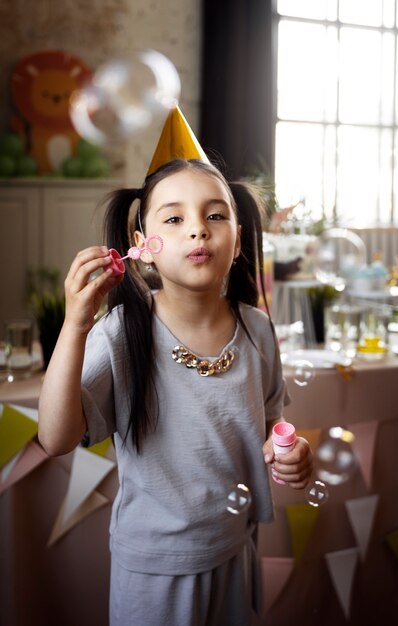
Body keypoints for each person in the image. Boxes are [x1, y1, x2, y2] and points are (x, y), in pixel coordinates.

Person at [38, 107, 313, 626]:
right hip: (156, 570)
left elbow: (274, 430)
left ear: (237, 240)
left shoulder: (257, 329)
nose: (198, 231)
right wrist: (75, 325)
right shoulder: (122, 331)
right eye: (174, 218)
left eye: (215, 215)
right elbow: (55, 439)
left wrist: (292, 455)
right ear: (143, 249)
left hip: (237, 549)